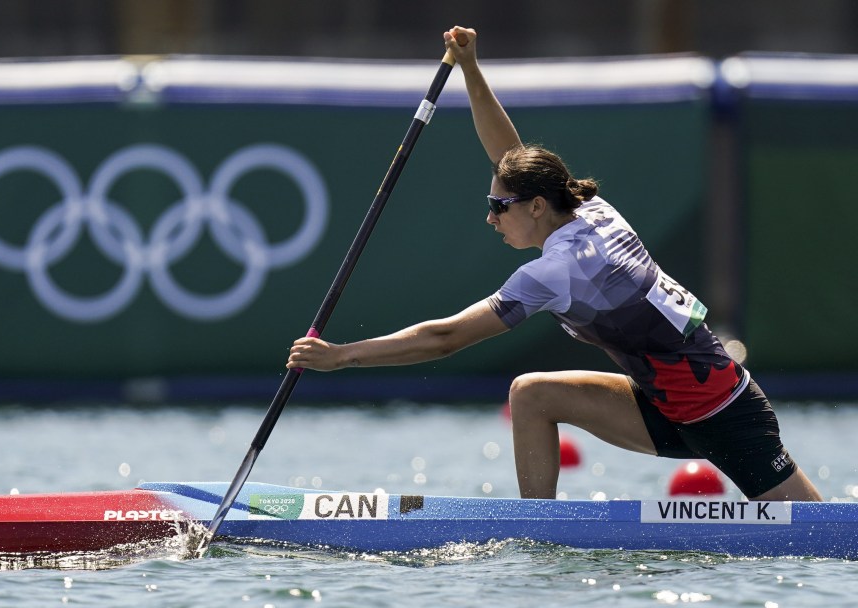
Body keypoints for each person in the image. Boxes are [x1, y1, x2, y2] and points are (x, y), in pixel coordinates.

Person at [286, 26, 822, 502]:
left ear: (536, 206)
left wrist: (343, 356)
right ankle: (538, 526)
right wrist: (470, 68)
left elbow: (444, 338)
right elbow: (509, 157)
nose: (491, 219)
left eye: (499, 207)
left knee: (824, 535)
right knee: (532, 394)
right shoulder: (586, 206)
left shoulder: (554, 273)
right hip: (664, 403)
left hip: (722, 410)